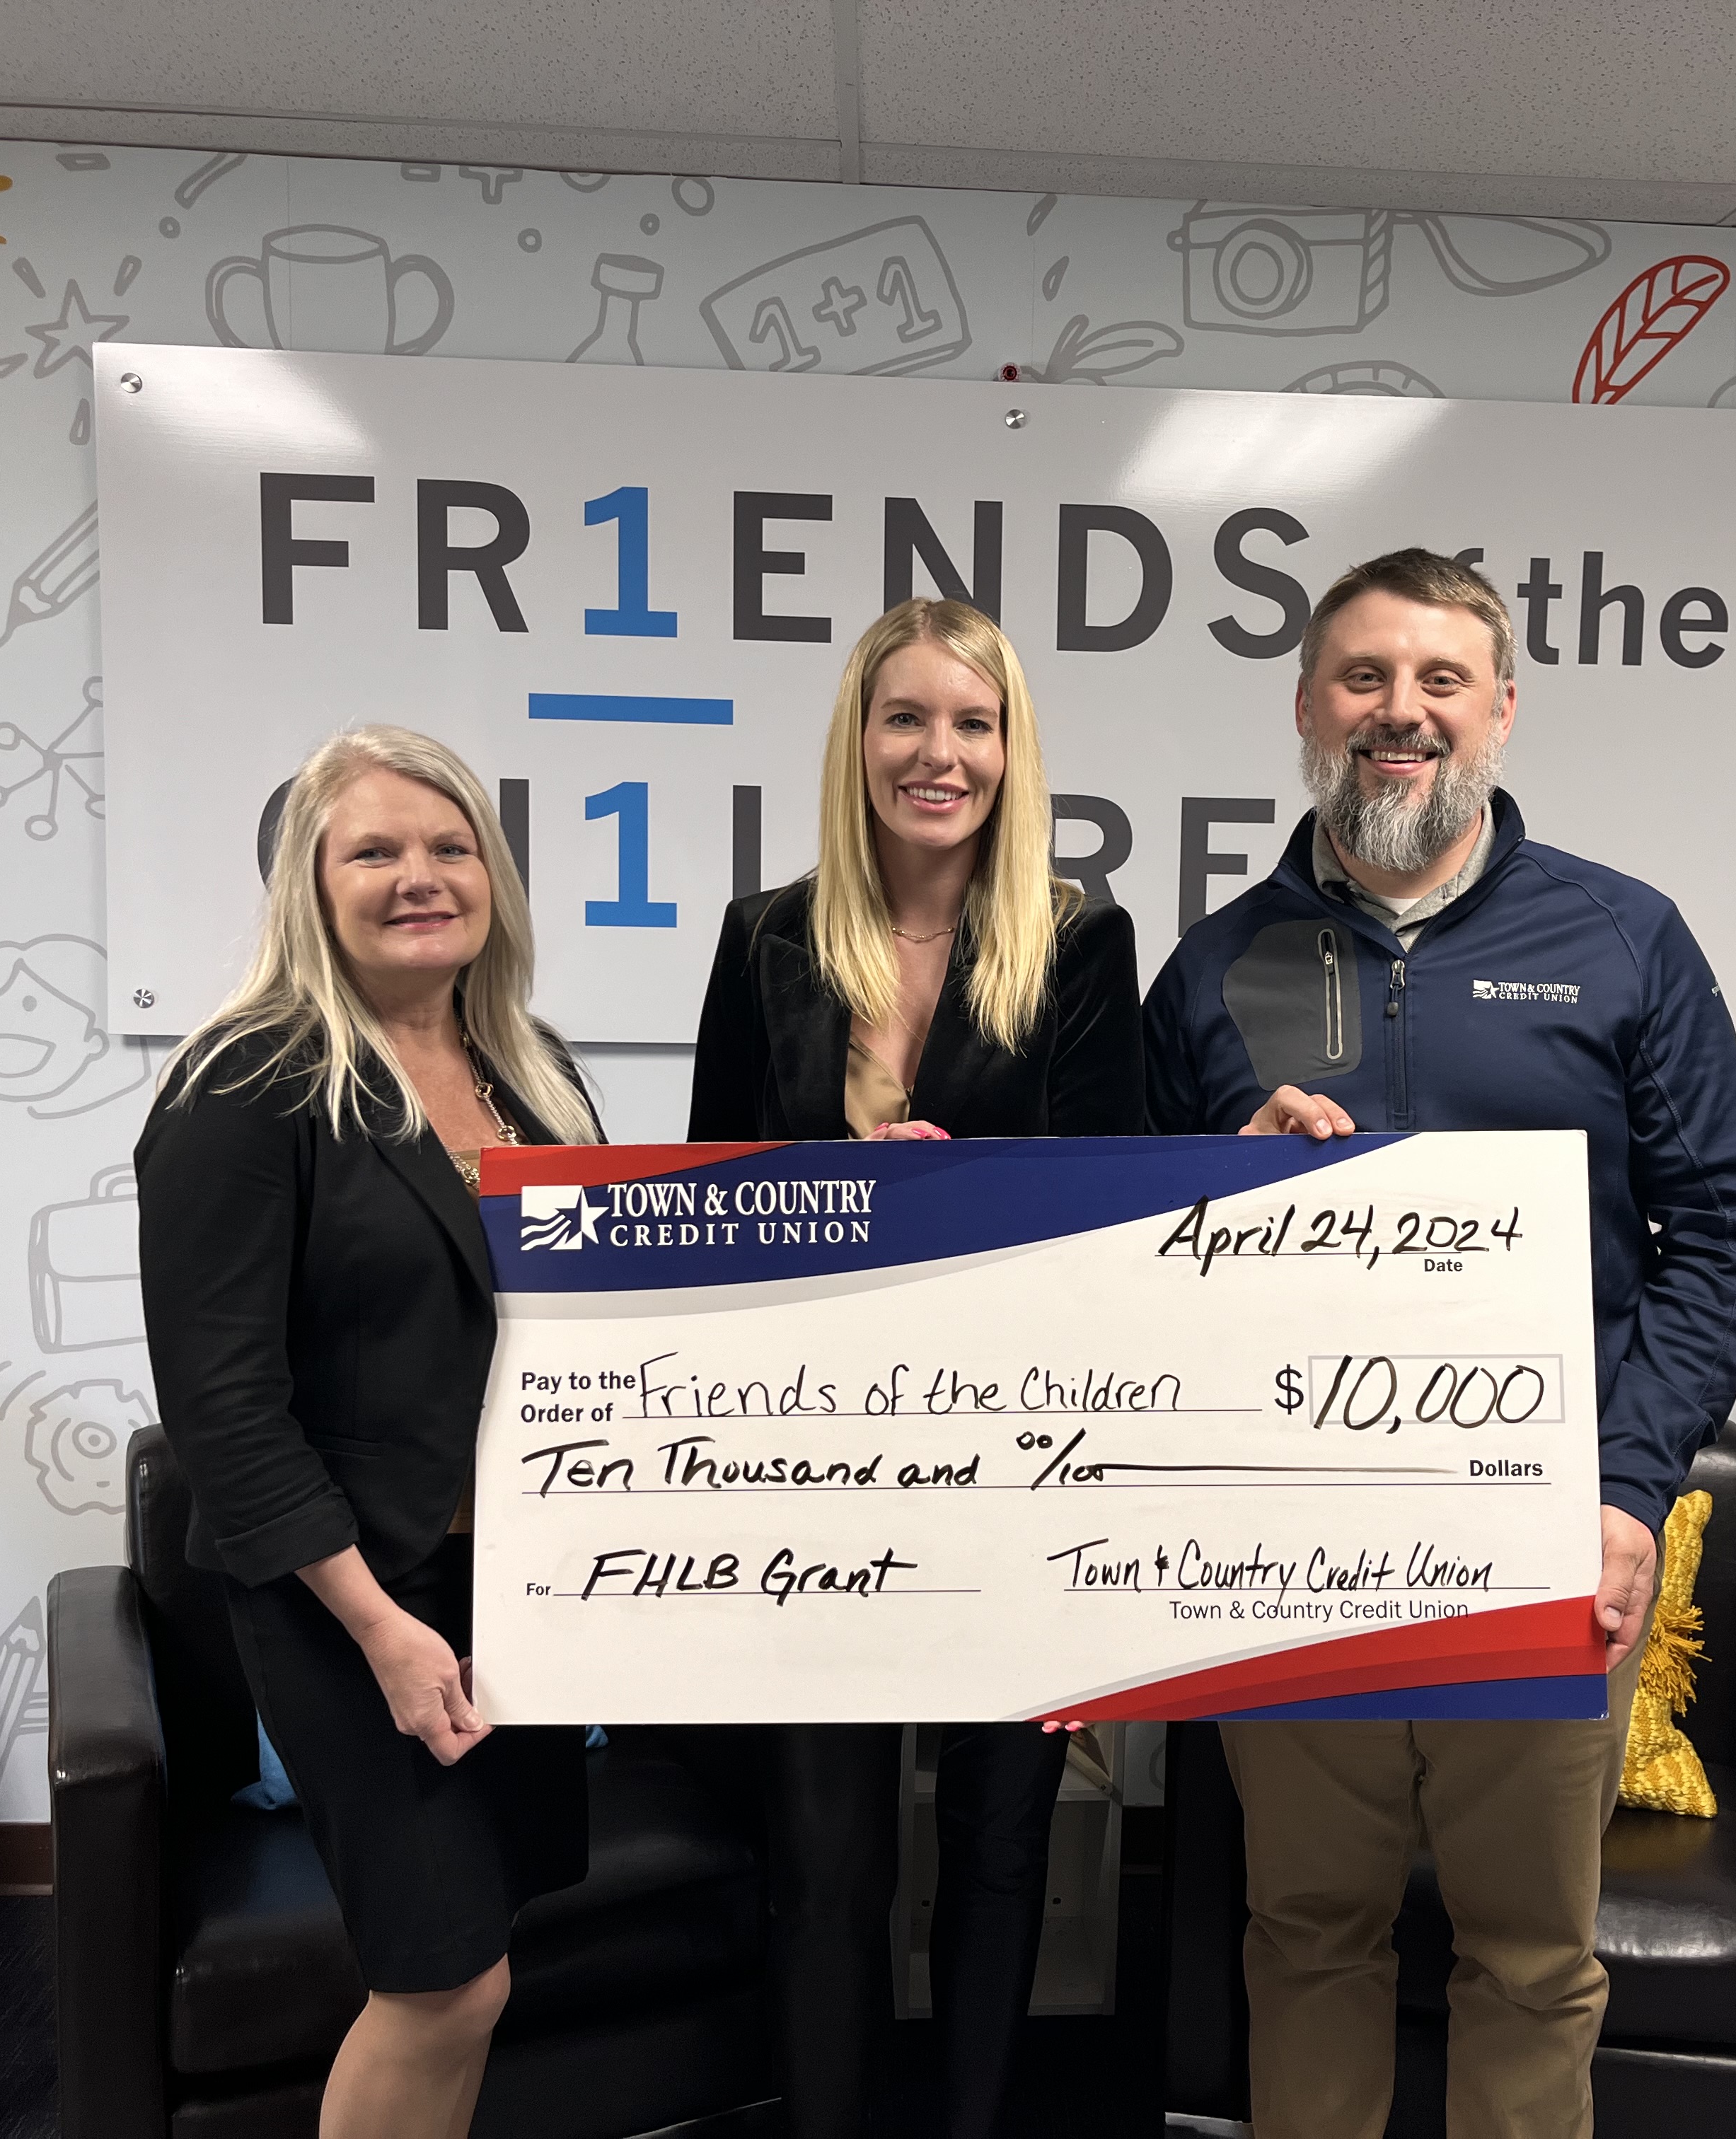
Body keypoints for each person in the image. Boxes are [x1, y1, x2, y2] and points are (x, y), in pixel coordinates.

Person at [1142, 550, 1736, 2139]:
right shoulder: (1210, 971)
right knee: (1306, 1938)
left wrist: (1631, 1491)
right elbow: (1132, 1261)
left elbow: (1721, 1227)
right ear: (1307, 707)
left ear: (1501, 709)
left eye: (1439, 681)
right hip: (1290, 1543)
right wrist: (1227, 1164)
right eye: (1363, 678)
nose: (1398, 712)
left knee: (1530, 1959)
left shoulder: (1628, 940)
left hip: (1546, 1533)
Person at [688, 597, 1145, 2138]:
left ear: (1011, 751)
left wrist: (960, 1202)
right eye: (907, 719)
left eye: (973, 722)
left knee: (1004, 1840)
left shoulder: (1082, 940)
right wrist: (840, 1184)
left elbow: (1108, 1221)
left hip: (1018, 1472)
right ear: (857, 739)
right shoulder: (762, 938)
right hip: (810, 1464)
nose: (937, 753)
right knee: (824, 1857)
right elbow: (707, 1208)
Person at [137, 724, 606, 2139]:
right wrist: (381, 1630)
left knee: (484, 1961)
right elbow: (223, 1407)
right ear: (310, 885)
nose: (422, 876)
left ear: (494, 879)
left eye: (451, 847)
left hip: (507, 1587)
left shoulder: (530, 1067)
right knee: (440, 1983)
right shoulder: (246, 1083)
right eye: (377, 851)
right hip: (352, 1600)